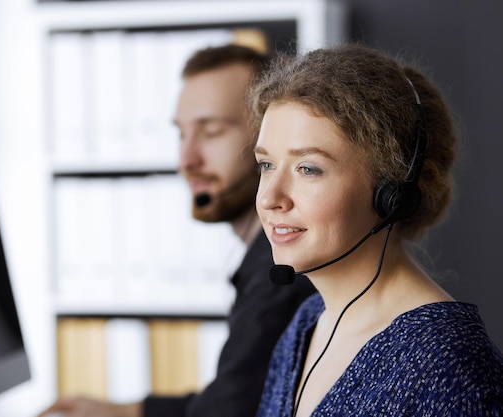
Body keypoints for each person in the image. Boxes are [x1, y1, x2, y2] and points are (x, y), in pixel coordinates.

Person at [37, 44, 316, 417]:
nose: (186, 160)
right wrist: (128, 411)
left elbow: (227, 413)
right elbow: (235, 395)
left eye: (211, 131)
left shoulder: (282, 270)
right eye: (182, 134)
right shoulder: (265, 259)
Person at [248, 43, 503, 416]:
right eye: (267, 165)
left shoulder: (449, 363)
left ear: (391, 194)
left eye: (308, 169)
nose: (271, 198)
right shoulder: (307, 324)